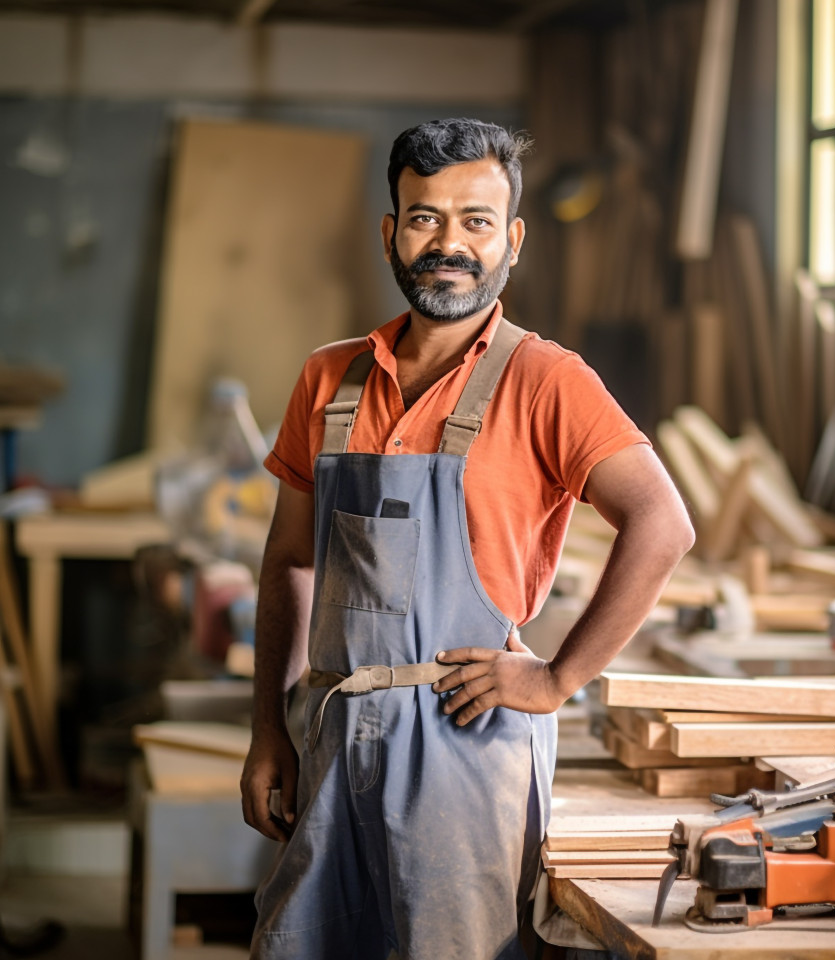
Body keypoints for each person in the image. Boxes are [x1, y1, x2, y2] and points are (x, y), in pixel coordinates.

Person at [241, 117, 694, 960]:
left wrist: (557, 678)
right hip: (334, 740)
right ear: (391, 233)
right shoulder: (328, 378)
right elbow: (290, 560)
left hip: (463, 745)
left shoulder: (547, 380)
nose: (449, 244)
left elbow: (663, 523)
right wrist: (269, 725)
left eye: (476, 221)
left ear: (511, 241)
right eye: (425, 218)